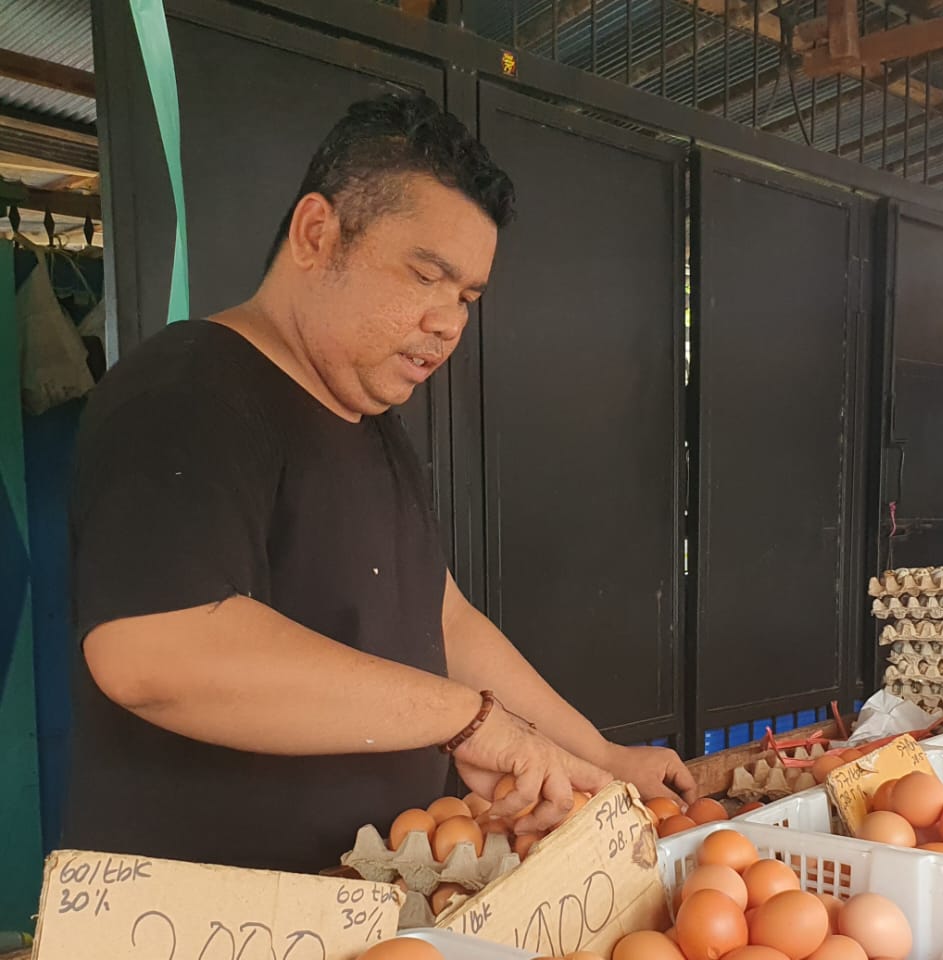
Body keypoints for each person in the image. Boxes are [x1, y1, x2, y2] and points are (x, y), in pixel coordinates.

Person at [65, 90, 696, 873]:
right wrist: (464, 720)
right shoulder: (186, 392)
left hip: (360, 901)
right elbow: (156, 650)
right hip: (205, 920)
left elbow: (444, 620)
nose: (448, 323)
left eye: (466, 297)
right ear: (316, 234)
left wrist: (597, 752)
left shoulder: (373, 424)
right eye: (425, 276)